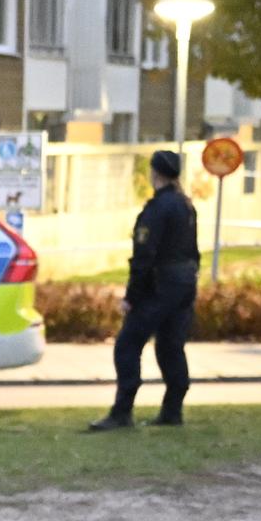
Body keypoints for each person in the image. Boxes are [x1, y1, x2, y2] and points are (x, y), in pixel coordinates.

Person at [90, 146, 200, 431]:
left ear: (155, 173)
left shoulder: (157, 209)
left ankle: (122, 411)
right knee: (170, 346)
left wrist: (131, 297)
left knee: (127, 345)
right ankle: (172, 410)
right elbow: (193, 251)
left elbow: (143, 256)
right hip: (184, 285)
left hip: (159, 287)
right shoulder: (186, 205)